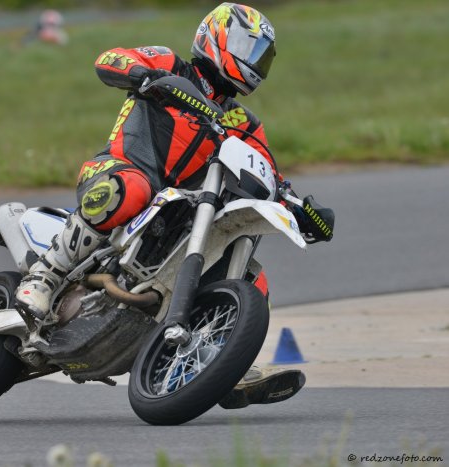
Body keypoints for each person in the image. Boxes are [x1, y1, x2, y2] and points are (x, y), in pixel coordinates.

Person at [16, 3, 333, 409]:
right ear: (216, 39)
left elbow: (267, 170)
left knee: (254, 276)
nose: (255, 63)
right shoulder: (171, 64)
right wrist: (142, 75)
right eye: (248, 49)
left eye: (262, 56)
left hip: (179, 208)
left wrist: (298, 207)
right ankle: (45, 275)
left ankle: (219, 359)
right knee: (132, 188)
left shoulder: (244, 122)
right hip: (120, 169)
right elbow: (111, 58)